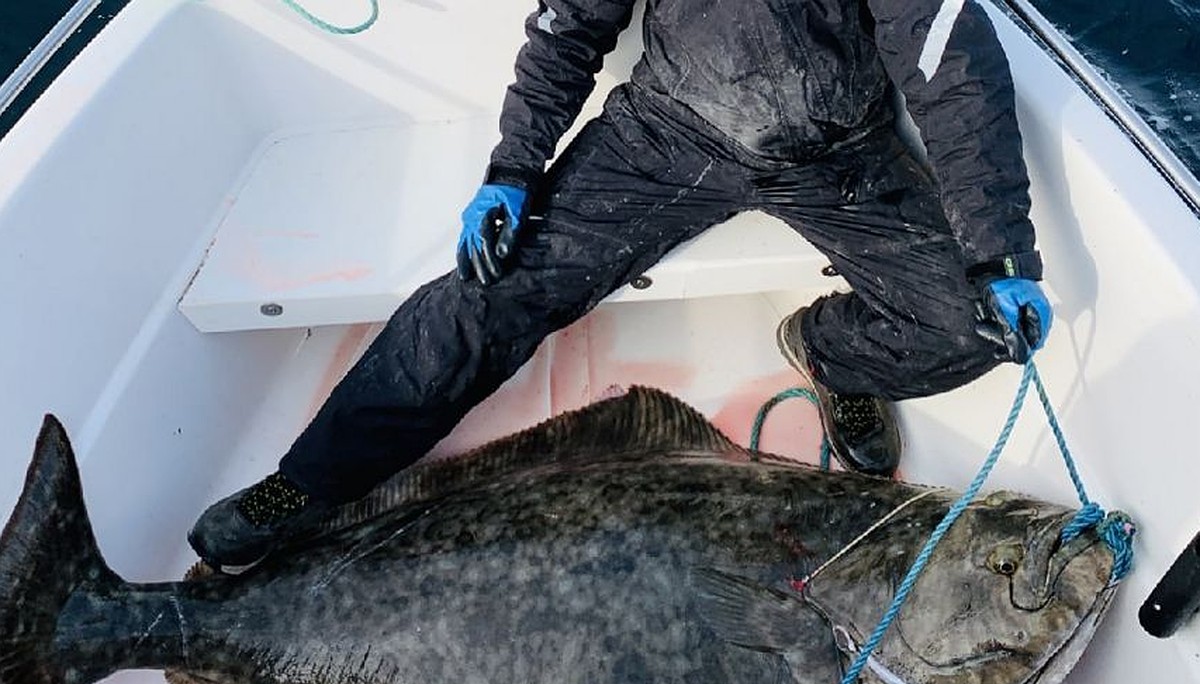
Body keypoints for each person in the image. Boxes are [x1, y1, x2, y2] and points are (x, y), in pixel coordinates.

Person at [189, 0, 1053, 569]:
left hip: (840, 150)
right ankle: (308, 481)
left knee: (969, 326)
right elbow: (568, 30)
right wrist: (514, 169)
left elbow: (952, 74)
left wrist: (1001, 255)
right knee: (491, 291)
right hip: (668, 134)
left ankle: (833, 356)